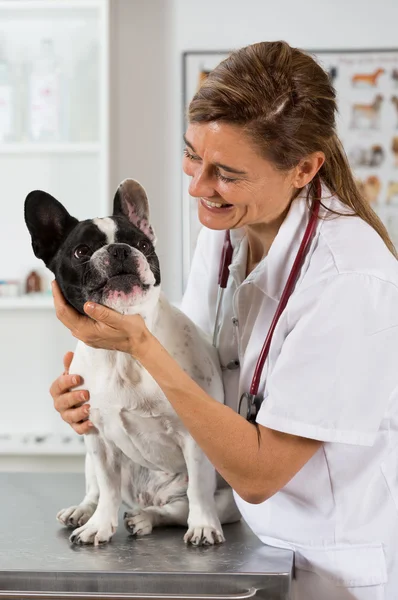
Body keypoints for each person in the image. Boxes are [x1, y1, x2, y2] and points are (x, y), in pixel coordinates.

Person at [50, 41, 398, 599]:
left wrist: (141, 348)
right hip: (238, 542)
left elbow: (260, 474)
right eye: (192, 156)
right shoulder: (226, 232)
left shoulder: (351, 279)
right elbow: (199, 366)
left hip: (328, 568)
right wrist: (101, 396)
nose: (196, 187)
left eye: (227, 173)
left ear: (304, 169)